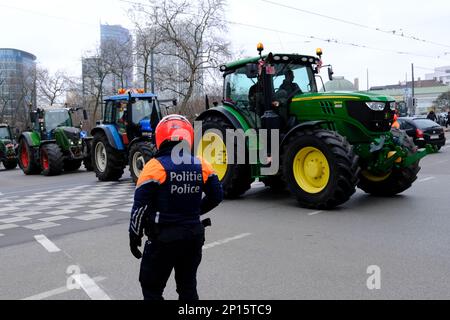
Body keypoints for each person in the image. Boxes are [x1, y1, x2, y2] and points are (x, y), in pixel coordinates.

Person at [129, 115, 224, 301]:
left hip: (163, 239)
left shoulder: (154, 166)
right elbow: (216, 196)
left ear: (160, 137)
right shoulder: (200, 163)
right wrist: (195, 211)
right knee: (187, 287)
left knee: (151, 288)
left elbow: (139, 210)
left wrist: (134, 236)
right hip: (193, 236)